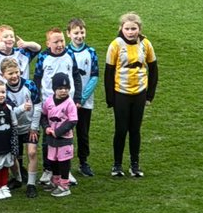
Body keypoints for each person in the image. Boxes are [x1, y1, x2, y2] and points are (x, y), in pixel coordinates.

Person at [104, 12, 158, 177]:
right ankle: (117, 165)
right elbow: (108, 73)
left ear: (139, 29)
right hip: (121, 93)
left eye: (133, 28)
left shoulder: (146, 44)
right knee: (121, 130)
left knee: (135, 130)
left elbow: (153, 69)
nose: (130, 32)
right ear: (121, 28)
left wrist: (149, 95)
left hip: (140, 93)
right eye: (127, 28)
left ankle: (135, 164)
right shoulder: (115, 45)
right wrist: (110, 98)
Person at [32, 28, 83, 187]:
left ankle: (65, 171)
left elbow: (76, 75)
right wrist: (37, 100)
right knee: (48, 138)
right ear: (48, 43)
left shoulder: (70, 54)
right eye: (56, 42)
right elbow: (37, 79)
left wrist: (77, 97)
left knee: (66, 138)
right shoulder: (43, 57)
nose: (60, 44)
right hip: (49, 104)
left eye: (62, 41)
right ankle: (48, 169)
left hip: (67, 103)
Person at [0, 57, 39, 197]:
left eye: (16, 72)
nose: (14, 76)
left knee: (32, 152)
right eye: (10, 73)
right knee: (13, 156)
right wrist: (22, 108)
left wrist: (34, 127)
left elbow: (38, 105)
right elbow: (8, 112)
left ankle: (31, 184)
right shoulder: (2, 91)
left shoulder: (29, 85)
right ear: (2, 75)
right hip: (13, 128)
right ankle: (18, 179)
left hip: (30, 127)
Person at [0, 79, 29, 199]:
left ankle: (4, 185)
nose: (1, 95)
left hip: (7, 144)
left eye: (3, 92)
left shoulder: (9, 108)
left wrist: (14, 144)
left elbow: (14, 126)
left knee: (6, 165)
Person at [66, 18, 99, 177]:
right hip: (67, 101)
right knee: (66, 133)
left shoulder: (91, 52)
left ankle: (83, 162)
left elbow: (94, 76)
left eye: (82, 32)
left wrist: (81, 98)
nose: (79, 36)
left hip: (84, 102)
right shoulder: (65, 52)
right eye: (76, 33)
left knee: (83, 133)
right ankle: (64, 162)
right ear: (68, 34)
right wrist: (71, 99)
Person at [41, 73, 78, 198]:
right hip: (51, 138)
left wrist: (58, 132)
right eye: (60, 88)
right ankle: (56, 181)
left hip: (64, 138)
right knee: (53, 159)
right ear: (54, 89)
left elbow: (73, 121)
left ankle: (64, 185)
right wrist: (46, 127)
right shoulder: (49, 101)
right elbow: (43, 115)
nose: (64, 91)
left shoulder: (70, 103)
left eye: (66, 88)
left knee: (64, 161)